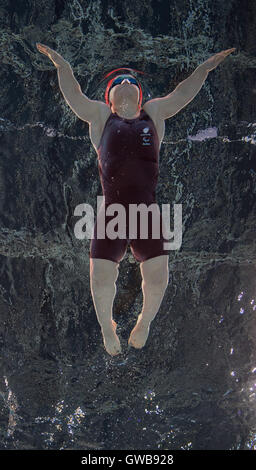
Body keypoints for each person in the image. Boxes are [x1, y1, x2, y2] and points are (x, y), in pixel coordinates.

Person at [36, 43, 236, 356]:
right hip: (112, 215)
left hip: (147, 214)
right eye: (119, 82)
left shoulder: (153, 114)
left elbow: (183, 93)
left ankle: (144, 321)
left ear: (140, 96)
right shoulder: (101, 118)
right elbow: (73, 94)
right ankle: (107, 326)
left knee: (157, 280)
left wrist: (205, 68)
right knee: (101, 281)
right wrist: (61, 65)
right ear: (110, 98)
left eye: (131, 82)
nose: (126, 83)